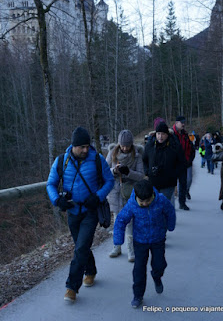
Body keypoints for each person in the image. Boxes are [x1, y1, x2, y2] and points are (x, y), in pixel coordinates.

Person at [46, 126, 114, 303]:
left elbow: (110, 181)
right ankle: (90, 271)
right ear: (73, 146)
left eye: (87, 146)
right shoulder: (62, 161)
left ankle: (71, 287)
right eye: (82, 147)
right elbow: (51, 184)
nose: (86, 150)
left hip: (91, 211)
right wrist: (57, 200)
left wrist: (98, 196)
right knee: (80, 246)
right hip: (72, 212)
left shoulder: (97, 159)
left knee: (82, 246)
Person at [113, 179, 176, 308]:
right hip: (140, 241)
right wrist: (118, 240)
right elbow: (120, 220)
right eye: (142, 201)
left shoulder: (161, 200)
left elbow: (170, 212)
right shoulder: (132, 204)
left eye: (147, 200)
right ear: (136, 196)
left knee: (160, 264)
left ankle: (156, 276)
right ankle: (138, 295)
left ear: (152, 194)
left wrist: (170, 226)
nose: (145, 203)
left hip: (158, 239)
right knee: (139, 269)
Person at [106, 130, 144, 262]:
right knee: (117, 221)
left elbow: (140, 175)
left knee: (130, 221)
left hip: (130, 191)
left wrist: (128, 172)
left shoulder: (137, 155)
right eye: (122, 145)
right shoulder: (112, 153)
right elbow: (104, 172)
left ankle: (130, 248)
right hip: (116, 191)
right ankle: (116, 246)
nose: (125, 148)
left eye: (127, 146)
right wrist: (114, 171)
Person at [143, 122, 187, 204]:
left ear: (167, 134)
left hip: (168, 184)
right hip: (153, 182)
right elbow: (144, 160)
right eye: (158, 133)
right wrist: (147, 172)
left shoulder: (175, 146)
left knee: (163, 205)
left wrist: (174, 174)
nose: (160, 136)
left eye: (163, 134)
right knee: (154, 206)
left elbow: (182, 163)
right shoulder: (150, 145)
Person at [173, 116, 195, 210]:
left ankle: (182, 203)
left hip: (183, 163)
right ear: (176, 123)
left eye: (184, 122)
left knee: (183, 183)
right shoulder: (171, 134)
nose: (183, 124)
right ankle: (170, 206)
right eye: (181, 122)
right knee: (170, 185)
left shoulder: (185, 134)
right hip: (173, 164)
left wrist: (189, 160)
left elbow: (190, 148)